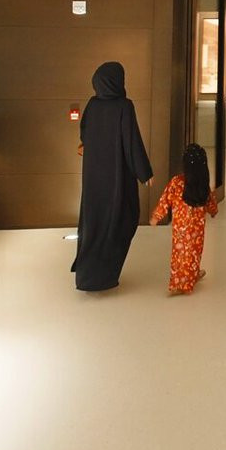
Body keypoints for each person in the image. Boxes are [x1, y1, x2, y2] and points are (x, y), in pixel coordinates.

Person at [73, 61, 153, 291]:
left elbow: (84, 134)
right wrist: (144, 172)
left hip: (93, 176)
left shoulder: (92, 105)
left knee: (93, 222)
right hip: (117, 176)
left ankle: (88, 277)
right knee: (121, 218)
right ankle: (104, 276)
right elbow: (131, 140)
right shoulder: (124, 106)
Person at [149, 144, 218, 295]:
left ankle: (178, 283)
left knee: (179, 254)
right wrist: (213, 212)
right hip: (197, 230)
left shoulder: (177, 182)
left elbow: (165, 200)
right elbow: (211, 203)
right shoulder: (203, 187)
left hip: (180, 229)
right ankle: (191, 276)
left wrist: (156, 216)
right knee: (194, 253)